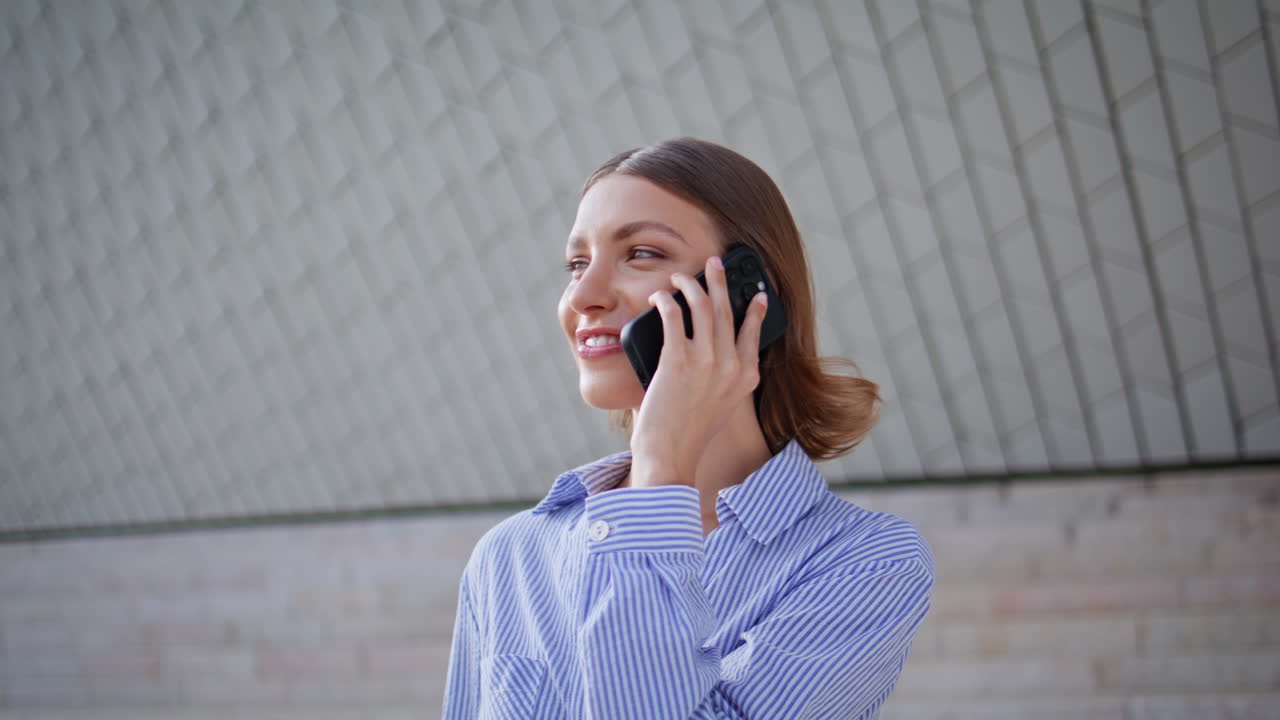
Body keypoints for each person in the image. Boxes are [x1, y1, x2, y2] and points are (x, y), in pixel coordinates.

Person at [443, 138, 934, 719]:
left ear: (749, 295)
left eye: (641, 253)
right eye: (577, 263)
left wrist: (660, 472)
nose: (583, 295)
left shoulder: (864, 562)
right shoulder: (510, 557)